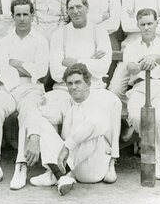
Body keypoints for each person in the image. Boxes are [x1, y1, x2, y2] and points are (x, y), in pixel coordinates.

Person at [35, 0, 121, 183]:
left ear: (87, 8)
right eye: (71, 8)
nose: (75, 11)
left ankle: (111, 161)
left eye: (79, 7)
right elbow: (57, 72)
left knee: (113, 102)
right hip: (63, 89)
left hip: (94, 89)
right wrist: (90, 61)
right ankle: (52, 168)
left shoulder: (99, 32)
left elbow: (103, 67)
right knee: (42, 107)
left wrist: (72, 61)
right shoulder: (60, 34)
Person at [0, 0, 49, 190]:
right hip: (8, 87)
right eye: (18, 15)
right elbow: (2, 70)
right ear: (12, 17)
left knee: (28, 113)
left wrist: (17, 64)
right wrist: (28, 67)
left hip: (32, 88)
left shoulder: (40, 40)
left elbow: (42, 71)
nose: (21, 19)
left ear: (32, 16)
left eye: (25, 14)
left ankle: (21, 166)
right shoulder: (5, 41)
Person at [26, 63, 118, 196]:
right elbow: (44, 116)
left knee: (89, 131)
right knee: (41, 121)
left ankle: (56, 174)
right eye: (69, 83)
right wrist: (35, 131)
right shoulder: (67, 103)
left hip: (92, 170)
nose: (73, 87)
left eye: (78, 82)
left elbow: (92, 124)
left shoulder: (99, 102)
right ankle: (62, 176)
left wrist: (66, 147)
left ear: (88, 83)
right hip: (70, 165)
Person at [123, 8, 160, 180]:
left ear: (156, 23)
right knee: (137, 117)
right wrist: (142, 65)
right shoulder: (131, 47)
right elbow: (130, 67)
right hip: (139, 87)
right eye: (143, 24)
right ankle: (158, 149)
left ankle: (155, 160)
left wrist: (154, 56)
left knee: (158, 117)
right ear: (138, 25)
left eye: (150, 23)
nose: (146, 27)